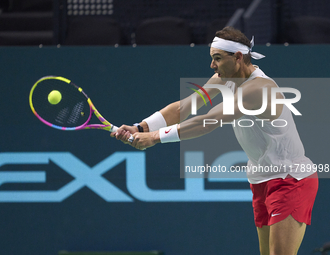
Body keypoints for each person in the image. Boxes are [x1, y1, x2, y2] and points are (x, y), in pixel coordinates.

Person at [111, 26, 318, 255]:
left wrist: (155, 137)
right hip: (261, 179)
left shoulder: (259, 89)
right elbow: (185, 107)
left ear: (238, 57)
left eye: (217, 59)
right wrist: (142, 126)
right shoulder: (222, 79)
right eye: (212, 59)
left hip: (290, 177)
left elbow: (208, 121)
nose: (212, 66)